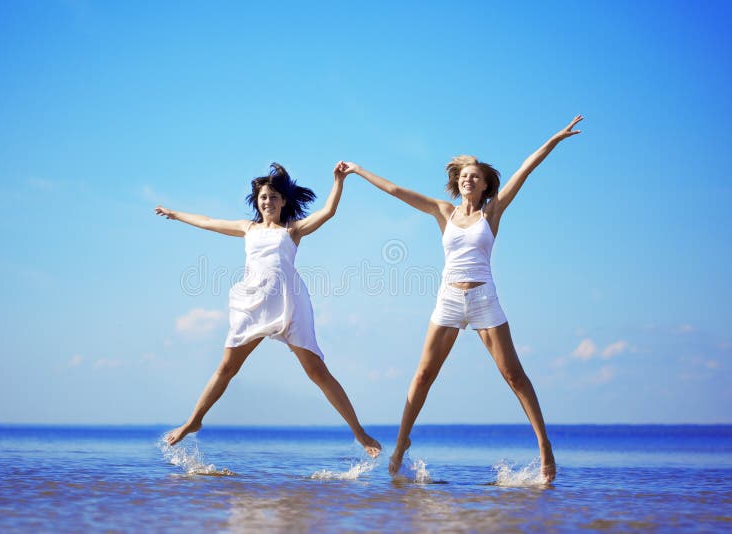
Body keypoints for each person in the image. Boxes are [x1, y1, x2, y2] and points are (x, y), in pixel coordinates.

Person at [343, 116, 583, 481]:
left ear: (485, 184)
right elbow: (394, 189)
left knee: (514, 376)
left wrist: (554, 139)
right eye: (464, 175)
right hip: (449, 299)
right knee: (424, 374)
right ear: (457, 182)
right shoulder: (444, 211)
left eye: (475, 176)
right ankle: (402, 441)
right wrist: (359, 170)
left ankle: (545, 447)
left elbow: (525, 169)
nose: (468, 179)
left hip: (484, 297)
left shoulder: (493, 211)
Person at [155, 162, 381, 458]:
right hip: (254, 305)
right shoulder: (247, 228)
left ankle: (359, 433)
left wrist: (338, 181)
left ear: (283, 201)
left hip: (289, 304)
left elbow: (328, 213)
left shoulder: (293, 230)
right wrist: (175, 214)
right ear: (257, 201)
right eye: (263, 197)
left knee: (317, 371)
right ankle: (193, 421)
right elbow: (208, 221)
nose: (268, 201)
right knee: (227, 368)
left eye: (274, 197)